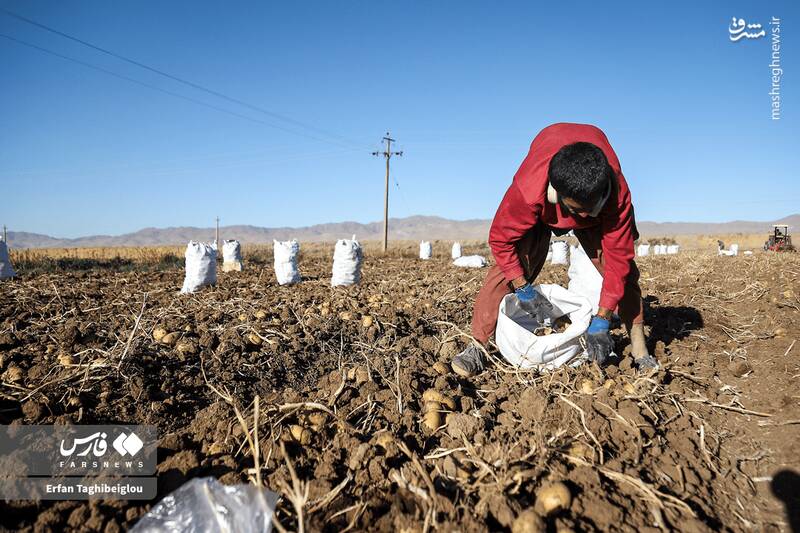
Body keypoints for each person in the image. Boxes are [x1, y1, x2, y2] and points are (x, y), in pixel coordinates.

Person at [452, 123, 658, 377]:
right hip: (545, 207)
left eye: (587, 211)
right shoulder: (528, 191)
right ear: (555, 194)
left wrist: (603, 317)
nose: (580, 217)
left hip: (600, 212)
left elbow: (619, 260)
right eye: (575, 210)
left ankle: (640, 350)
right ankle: (479, 345)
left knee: (625, 276)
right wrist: (522, 286)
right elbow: (500, 240)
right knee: (513, 264)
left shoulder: (617, 199)